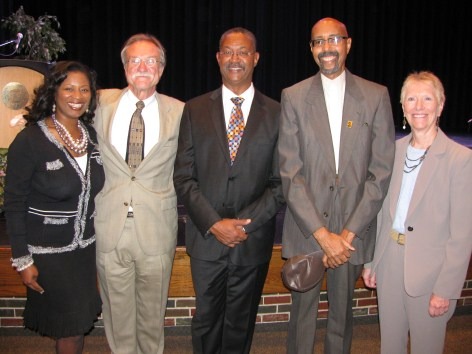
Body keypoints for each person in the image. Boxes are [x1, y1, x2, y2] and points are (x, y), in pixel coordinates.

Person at [278, 17, 395, 353]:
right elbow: (290, 172)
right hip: (307, 231)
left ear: (348, 43)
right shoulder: (294, 97)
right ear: (311, 49)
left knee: (342, 320)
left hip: (351, 236)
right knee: (301, 320)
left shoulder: (375, 96)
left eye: (333, 39)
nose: (326, 48)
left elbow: (381, 172)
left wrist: (346, 235)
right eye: (318, 42)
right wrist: (322, 235)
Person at [173, 27, 285, 353]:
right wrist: (215, 223)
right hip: (206, 238)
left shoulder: (278, 113)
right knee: (206, 321)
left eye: (243, 51)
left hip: (252, 240)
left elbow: (280, 183)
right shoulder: (194, 110)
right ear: (219, 58)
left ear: (256, 58)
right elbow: (183, 177)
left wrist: (241, 225)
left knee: (241, 323)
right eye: (228, 51)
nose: (235, 58)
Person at [362, 71, 472, 354]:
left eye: (427, 98)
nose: (419, 106)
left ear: (440, 105)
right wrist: (372, 262)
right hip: (389, 264)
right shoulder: (393, 151)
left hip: (430, 272)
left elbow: (462, 235)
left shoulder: (461, 159)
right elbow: (381, 215)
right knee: (390, 346)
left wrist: (445, 288)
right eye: (411, 99)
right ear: (403, 107)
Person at [4, 61, 104, 353]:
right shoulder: (30, 140)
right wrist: (23, 260)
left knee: (78, 323)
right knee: (70, 328)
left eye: (84, 89)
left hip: (85, 251)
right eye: (69, 88)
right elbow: (14, 203)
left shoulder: (91, 136)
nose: (77, 95)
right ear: (53, 92)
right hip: (48, 254)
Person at [93, 33, 184, 353]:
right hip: (110, 227)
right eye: (135, 60)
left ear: (161, 68)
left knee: (151, 316)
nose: (143, 67)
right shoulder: (98, 102)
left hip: (156, 229)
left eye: (151, 61)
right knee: (116, 317)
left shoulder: (181, 112)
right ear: (124, 66)